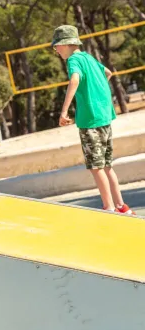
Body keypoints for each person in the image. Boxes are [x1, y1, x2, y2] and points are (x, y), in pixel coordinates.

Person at [53, 25, 134, 215]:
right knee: (106, 166)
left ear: (67, 44)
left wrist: (64, 111)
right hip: (104, 117)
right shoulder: (88, 57)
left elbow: (74, 79)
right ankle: (122, 207)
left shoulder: (74, 60)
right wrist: (97, 93)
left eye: (56, 46)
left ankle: (109, 207)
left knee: (96, 167)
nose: (55, 50)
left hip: (89, 121)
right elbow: (108, 73)